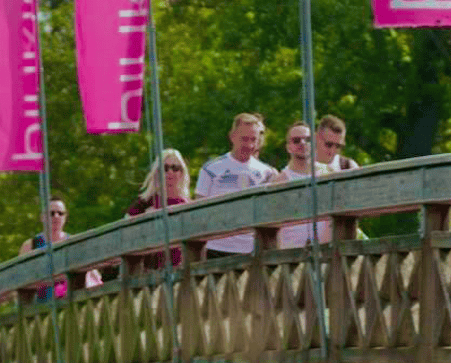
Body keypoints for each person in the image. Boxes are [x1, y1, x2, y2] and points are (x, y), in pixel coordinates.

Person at [195, 112, 275, 256]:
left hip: (251, 249)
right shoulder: (211, 169)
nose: (249, 145)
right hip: (217, 247)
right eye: (244, 139)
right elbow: (198, 210)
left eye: (254, 140)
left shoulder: (266, 172)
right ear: (232, 137)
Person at [268, 121, 333, 248]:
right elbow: (272, 223)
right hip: (291, 252)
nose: (303, 144)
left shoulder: (329, 173)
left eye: (308, 139)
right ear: (288, 147)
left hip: (326, 250)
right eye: (296, 140)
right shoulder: (280, 180)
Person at [19, 196, 101, 295]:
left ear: (65, 217)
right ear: (42, 217)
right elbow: (20, 280)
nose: (56, 216)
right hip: (40, 304)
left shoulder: (74, 243)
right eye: (51, 213)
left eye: (60, 213)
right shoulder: (31, 245)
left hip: (69, 301)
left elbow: (93, 276)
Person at [126, 149, 191, 267]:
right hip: (147, 271)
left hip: (178, 270)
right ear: (157, 173)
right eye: (165, 168)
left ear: (181, 172)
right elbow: (125, 232)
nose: (170, 172)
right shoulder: (144, 202)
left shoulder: (186, 205)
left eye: (175, 168)